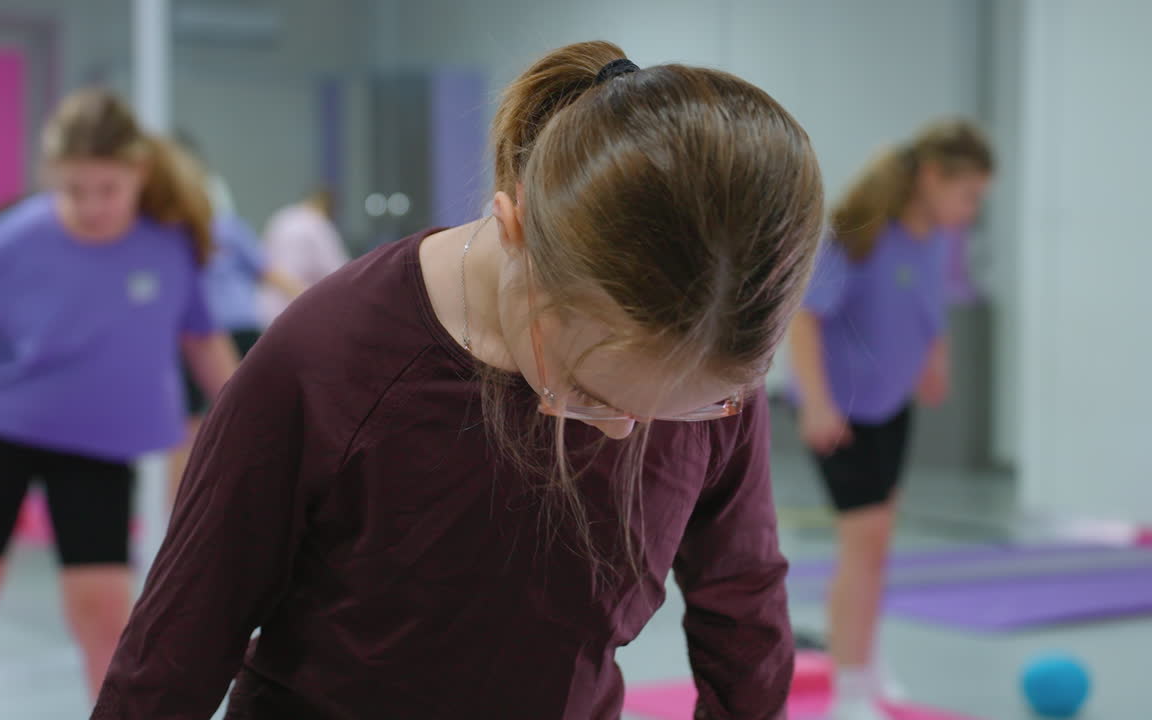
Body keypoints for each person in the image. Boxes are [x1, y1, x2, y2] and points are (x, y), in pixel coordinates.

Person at [93, 41, 825, 720]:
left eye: (680, 409)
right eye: (589, 392)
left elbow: (743, 608)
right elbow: (175, 652)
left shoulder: (702, 348)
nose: (621, 430)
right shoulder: (328, 358)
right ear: (514, 234)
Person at [0, 88, 240, 720]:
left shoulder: (169, 244)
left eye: (107, 189)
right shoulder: (18, 240)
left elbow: (202, 338)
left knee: (104, 608)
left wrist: (247, 414)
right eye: (74, 190)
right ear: (50, 178)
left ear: (139, 174)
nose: (91, 206)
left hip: (96, 444)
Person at [788, 119, 993, 720]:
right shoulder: (860, 232)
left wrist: (936, 357)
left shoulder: (934, 237)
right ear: (933, 176)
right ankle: (850, 693)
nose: (971, 209)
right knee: (864, 542)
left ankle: (866, 662)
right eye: (969, 194)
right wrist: (818, 404)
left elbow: (934, 301)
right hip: (846, 413)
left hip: (892, 404)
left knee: (876, 546)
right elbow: (806, 317)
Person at [168, 136, 305, 500]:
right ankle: (180, 521)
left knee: (238, 424)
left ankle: (233, 507)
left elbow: (272, 273)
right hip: (194, 338)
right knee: (192, 431)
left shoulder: (226, 228)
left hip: (238, 332)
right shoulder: (169, 234)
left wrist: (317, 304)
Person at [257, 187, 348, 324]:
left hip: (267, 310)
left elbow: (262, 259)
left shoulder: (282, 218)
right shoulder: (318, 225)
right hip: (301, 310)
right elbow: (340, 272)